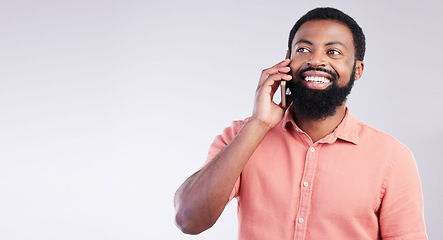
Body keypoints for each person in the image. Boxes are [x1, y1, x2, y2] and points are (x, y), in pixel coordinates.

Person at [174, 7, 427, 240]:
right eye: (303, 49)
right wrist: (258, 124)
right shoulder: (241, 136)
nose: (316, 61)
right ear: (287, 60)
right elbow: (188, 220)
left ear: (357, 69)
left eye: (333, 52)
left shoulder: (392, 158)